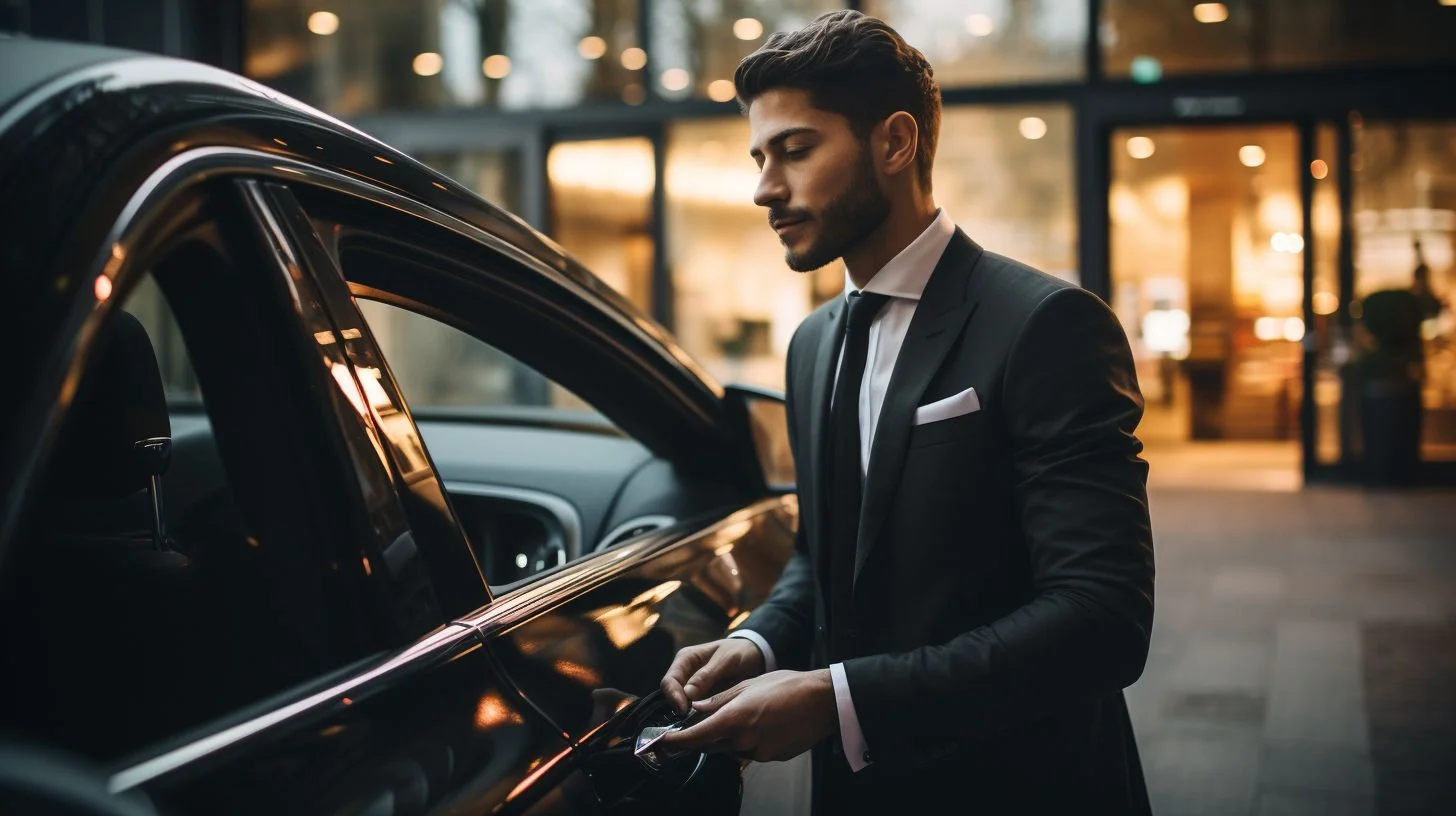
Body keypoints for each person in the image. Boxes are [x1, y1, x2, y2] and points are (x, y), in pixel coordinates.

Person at [656, 10, 1155, 814]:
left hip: (1024, 788)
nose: (765, 189)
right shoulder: (812, 344)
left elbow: (1102, 620)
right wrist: (758, 642)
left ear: (894, 143)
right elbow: (825, 560)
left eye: (795, 150)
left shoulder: (1046, 324)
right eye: (759, 157)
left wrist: (839, 700)